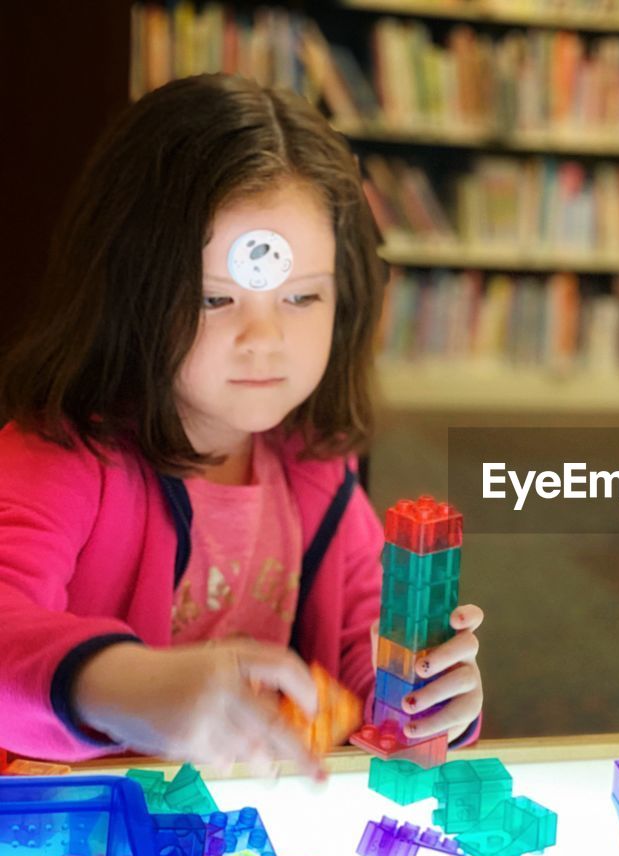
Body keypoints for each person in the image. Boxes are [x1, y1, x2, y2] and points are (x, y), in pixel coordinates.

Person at [0, 75, 482, 776]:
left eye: (301, 297)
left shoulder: (318, 469)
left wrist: (427, 701)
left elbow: (365, 662)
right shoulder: (56, 456)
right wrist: (127, 687)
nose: (264, 340)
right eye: (214, 298)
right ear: (127, 290)